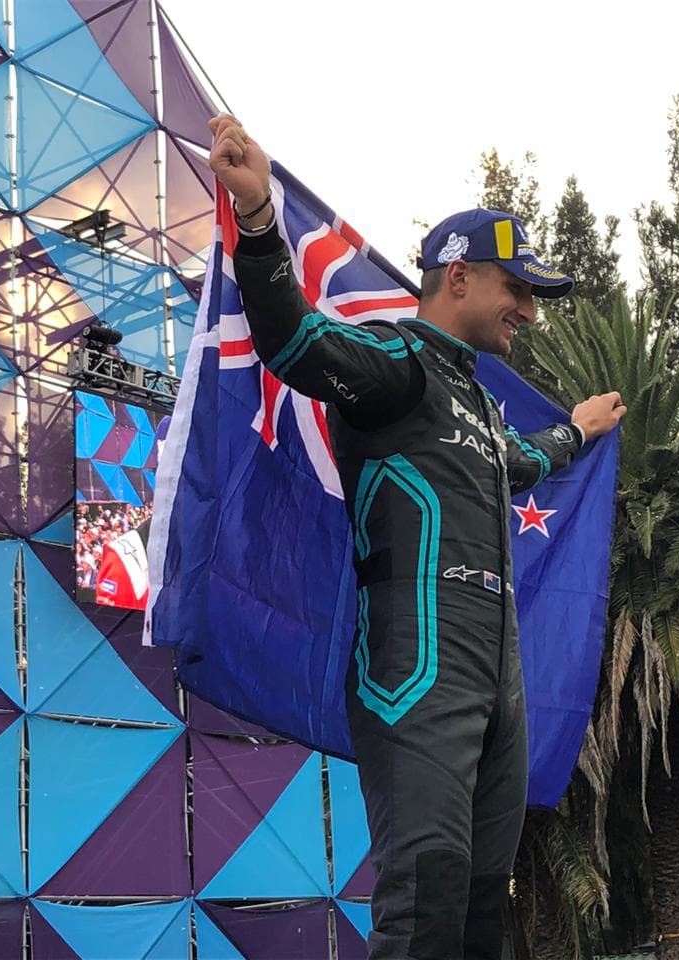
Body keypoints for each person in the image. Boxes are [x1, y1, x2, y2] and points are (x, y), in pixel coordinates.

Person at [208, 114, 626, 959]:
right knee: (426, 894)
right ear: (460, 278)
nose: (530, 314)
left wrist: (577, 432)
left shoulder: (474, 400)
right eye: (518, 292)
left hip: (494, 674)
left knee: (479, 910)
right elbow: (291, 340)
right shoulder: (395, 362)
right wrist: (258, 222)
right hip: (417, 664)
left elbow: (518, 462)